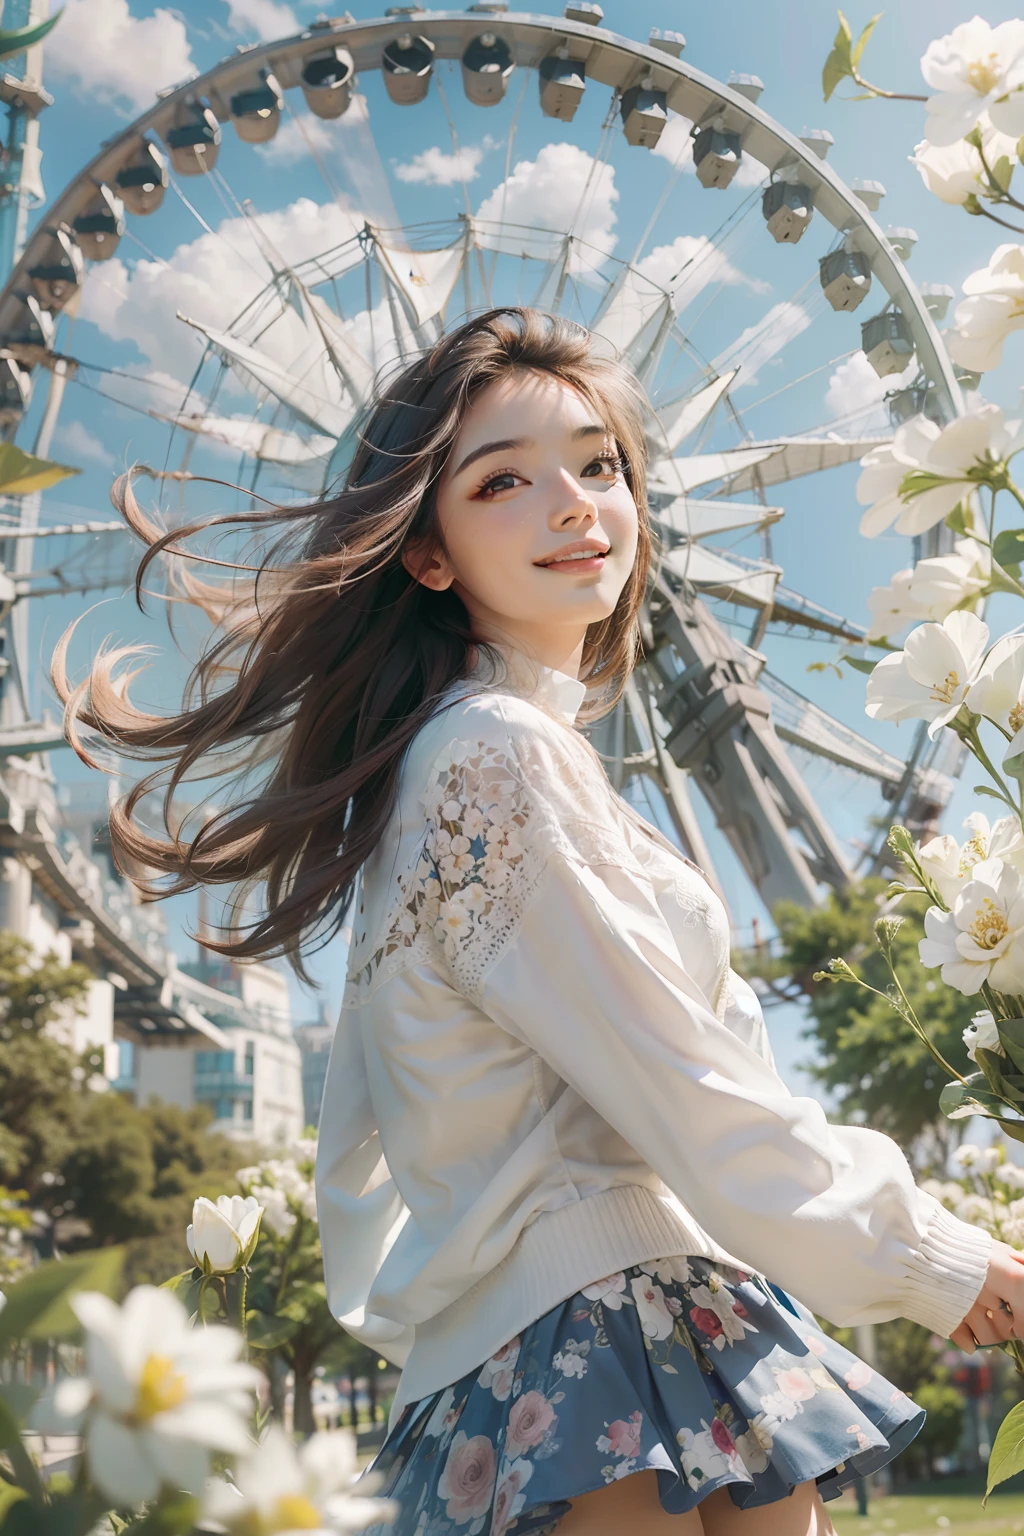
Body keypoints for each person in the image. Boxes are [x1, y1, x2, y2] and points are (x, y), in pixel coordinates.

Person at [58, 308, 1023, 1536]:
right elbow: (686, 1089)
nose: (573, 504)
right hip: (595, 1322)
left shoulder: (481, 761)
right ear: (426, 554)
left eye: (599, 464)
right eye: (504, 480)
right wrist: (924, 1254)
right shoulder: (492, 761)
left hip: (620, 1312)